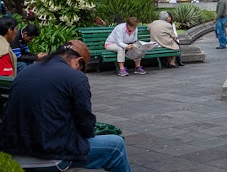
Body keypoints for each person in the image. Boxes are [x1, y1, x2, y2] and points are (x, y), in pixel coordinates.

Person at [0, 40, 132, 172]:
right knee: (117, 145)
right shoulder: (76, 77)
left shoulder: (26, 71)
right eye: (82, 69)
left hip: (15, 152)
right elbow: (86, 125)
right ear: (78, 61)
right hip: (51, 156)